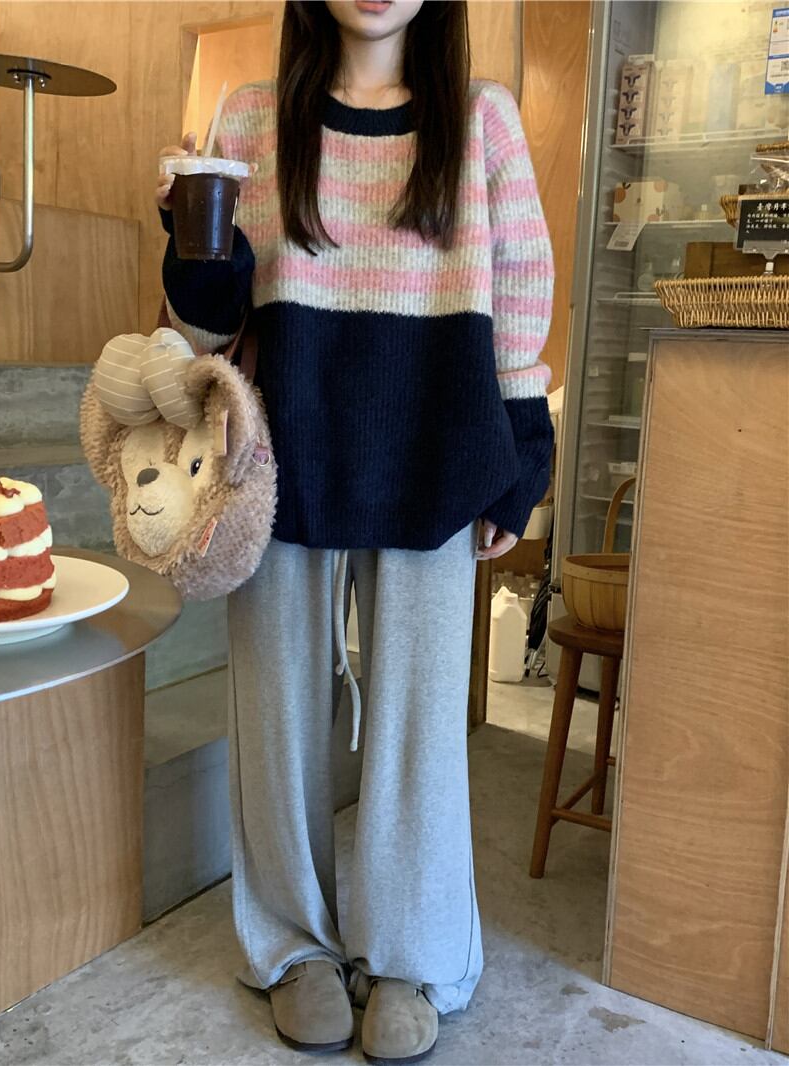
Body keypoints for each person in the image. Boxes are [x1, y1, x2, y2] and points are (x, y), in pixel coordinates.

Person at [156, 1, 554, 1060]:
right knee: (276, 709)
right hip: (280, 452)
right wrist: (189, 240)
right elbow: (206, 327)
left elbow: (522, 286)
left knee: (420, 722)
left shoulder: (482, 118)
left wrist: (522, 452)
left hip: (437, 447)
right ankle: (292, 947)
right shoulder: (248, 119)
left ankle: (413, 954)